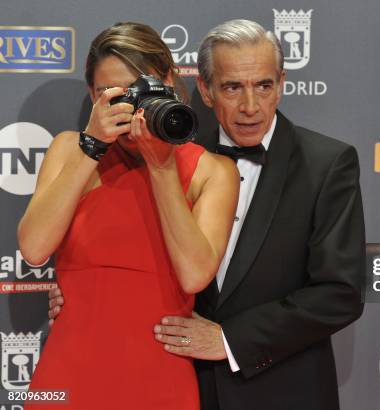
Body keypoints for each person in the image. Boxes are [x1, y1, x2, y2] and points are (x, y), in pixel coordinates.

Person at [50, 19, 365, 410]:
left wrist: (231, 340)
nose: (250, 106)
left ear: (281, 84)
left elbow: (341, 293)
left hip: (281, 389)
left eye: (263, 85)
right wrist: (83, 289)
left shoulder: (326, 163)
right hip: (181, 384)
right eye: (232, 87)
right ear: (206, 90)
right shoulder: (166, 149)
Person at [21, 22, 238, 409]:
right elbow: (34, 249)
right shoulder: (70, 150)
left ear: (168, 81)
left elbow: (194, 273)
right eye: (109, 92)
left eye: (137, 89)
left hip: (159, 380)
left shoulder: (212, 171)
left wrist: (162, 167)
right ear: (92, 94)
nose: (126, 104)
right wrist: (90, 148)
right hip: (66, 377)